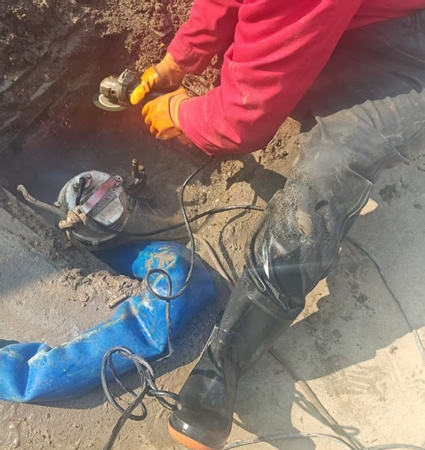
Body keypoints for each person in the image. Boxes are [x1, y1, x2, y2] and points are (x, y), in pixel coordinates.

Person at [130, 2, 425, 449]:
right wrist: (179, 59)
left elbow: (242, 120)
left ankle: (227, 355)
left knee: (330, 168)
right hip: (347, 21)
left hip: (405, 51)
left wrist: (181, 114)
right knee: (279, 69)